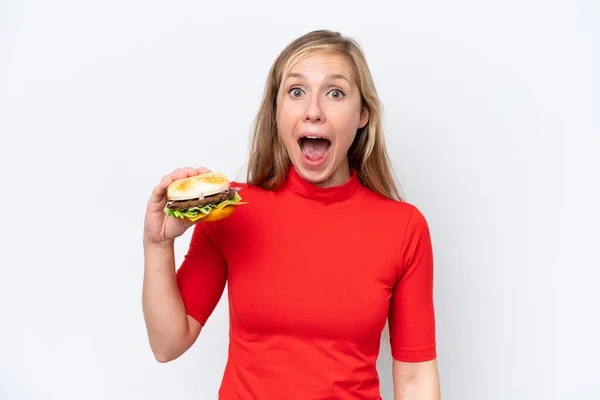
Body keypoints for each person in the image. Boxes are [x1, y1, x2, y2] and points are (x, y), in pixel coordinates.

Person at [142, 29, 440, 399]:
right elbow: (167, 344)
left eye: (335, 93)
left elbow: (415, 378)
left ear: (363, 114)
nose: (313, 111)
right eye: (296, 92)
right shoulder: (231, 210)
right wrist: (157, 243)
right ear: (277, 111)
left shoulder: (404, 228)